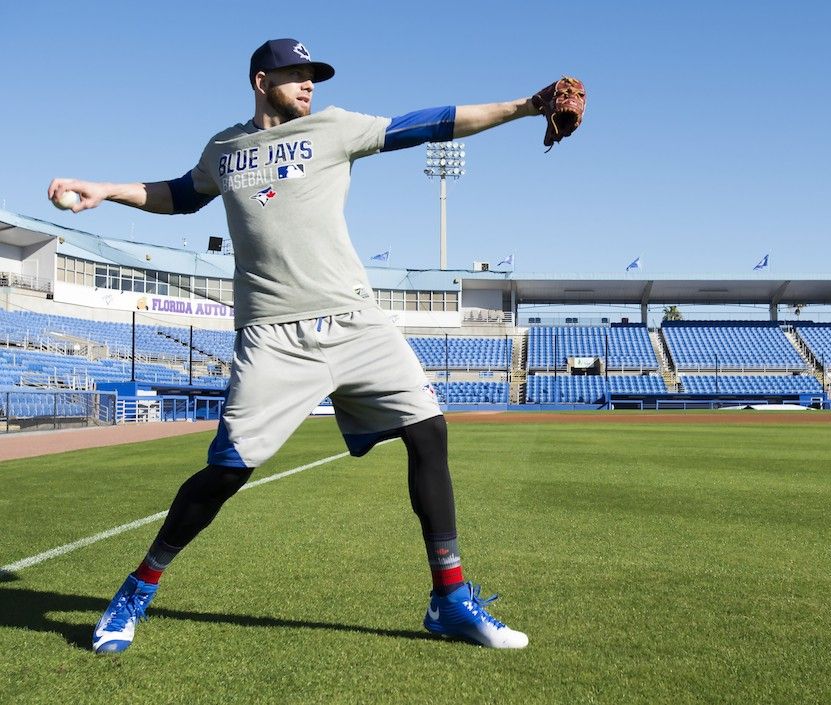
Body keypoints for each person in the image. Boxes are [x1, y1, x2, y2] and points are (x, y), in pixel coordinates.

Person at [50, 38, 570, 654]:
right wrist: (107, 189)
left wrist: (526, 106)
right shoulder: (225, 148)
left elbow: (430, 123)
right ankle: (138, 587)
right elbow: (182, 195)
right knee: (226, 472)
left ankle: (450, 599)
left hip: (356, 320)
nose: (308, 85)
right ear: (260, 78)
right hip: (274, 334)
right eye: (296, 75)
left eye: (312, 76)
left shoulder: (335, 128)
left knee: (429, 431)